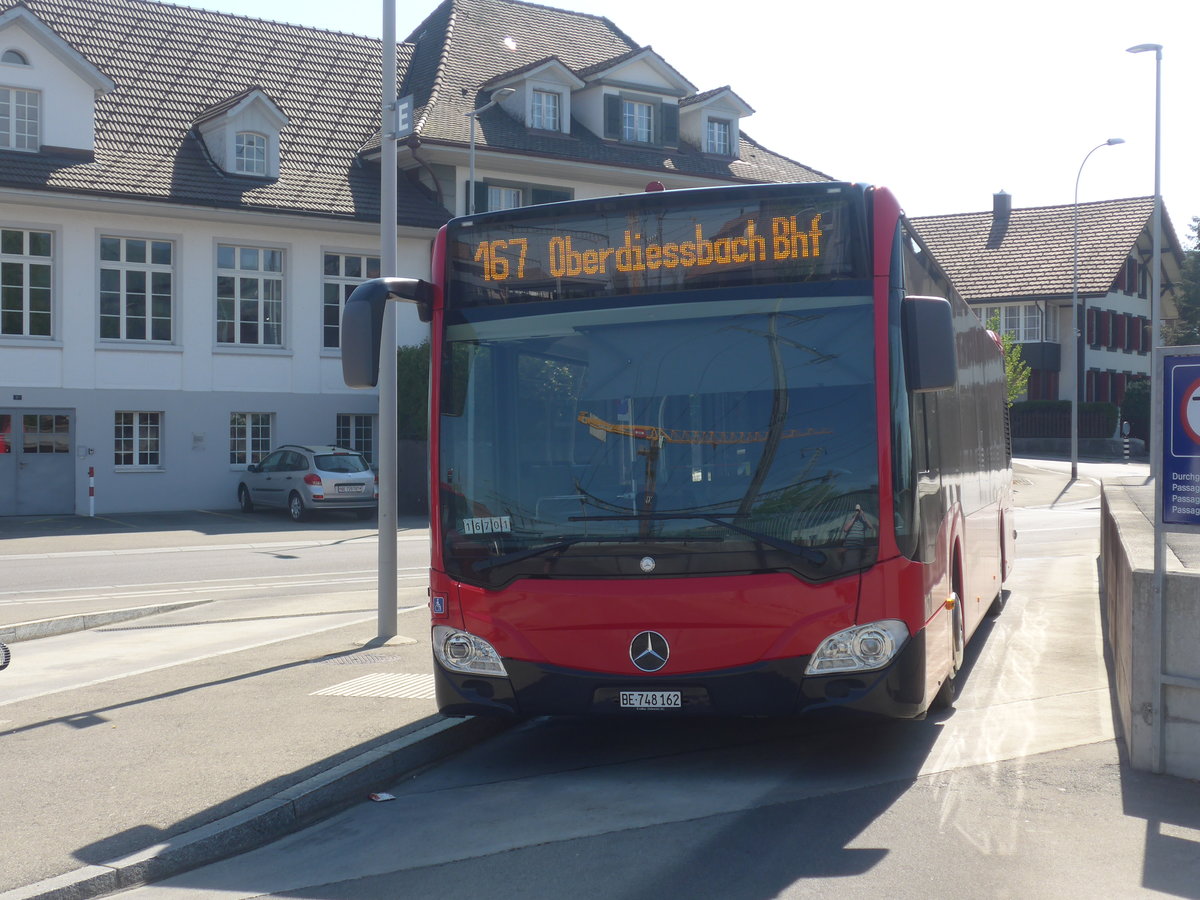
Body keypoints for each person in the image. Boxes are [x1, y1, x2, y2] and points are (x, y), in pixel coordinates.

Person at [841, 503, 878, 569]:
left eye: (859, 510)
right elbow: (845, 529)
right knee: (849, 567)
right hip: (850, 547)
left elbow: (871, 527)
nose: (857, 512)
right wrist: (854, 517)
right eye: (856, 510)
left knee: (855, 567)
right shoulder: (850, 518)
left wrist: (864, 516)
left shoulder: (863, 520)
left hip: (858, 547)